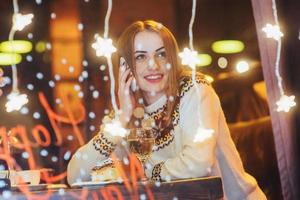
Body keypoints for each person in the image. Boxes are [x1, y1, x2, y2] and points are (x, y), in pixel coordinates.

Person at [67, 20, 266, 199]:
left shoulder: (195, 90)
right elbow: (76, 176)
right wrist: (121, 118)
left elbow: (199, 163)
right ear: (126, 66)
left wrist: (143, 173)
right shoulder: (127, 112)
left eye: (161, 54)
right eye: (140, 57)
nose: (153, 65)